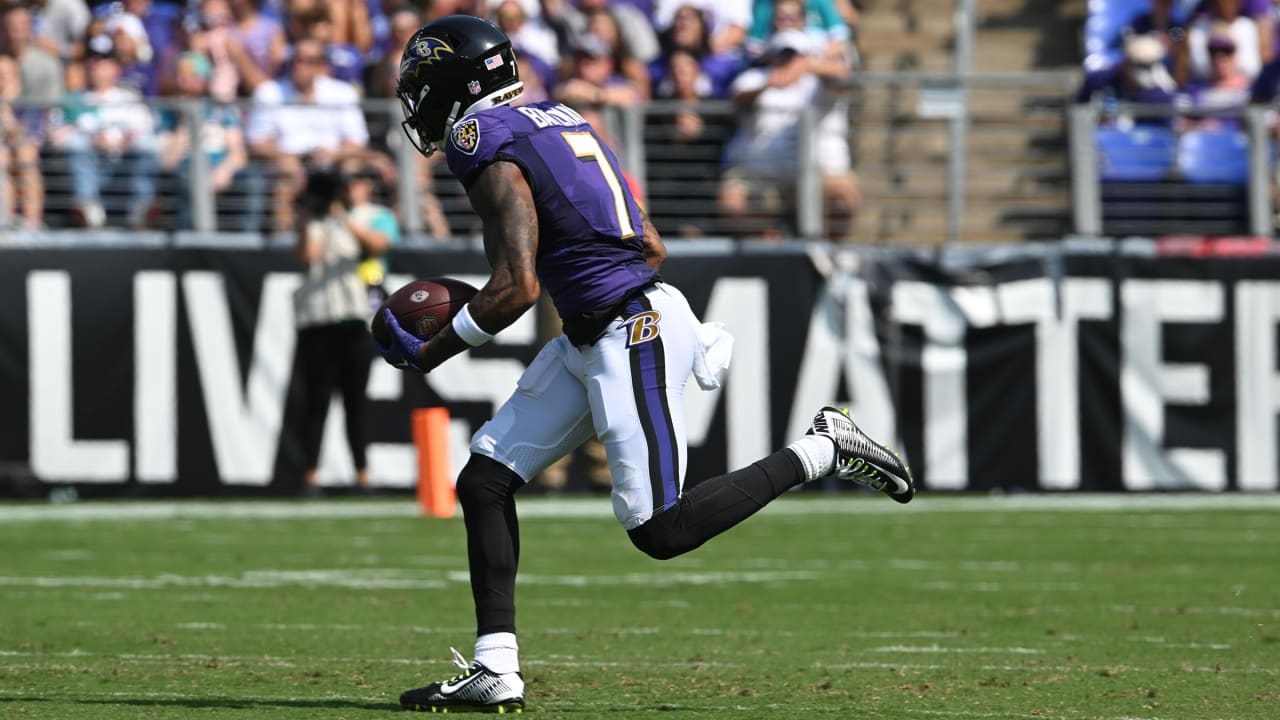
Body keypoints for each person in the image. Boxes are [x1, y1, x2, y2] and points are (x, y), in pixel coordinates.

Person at [378, 14, 915, 713]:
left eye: (423, 83)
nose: (418, 99)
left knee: (661, 529)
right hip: (605, 324)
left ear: (456, 81)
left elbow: (518, 286)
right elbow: (650, 243)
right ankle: (495, 669)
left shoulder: (480, 137)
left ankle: (822, 448)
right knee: (484, 480)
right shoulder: (559, 117)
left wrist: (433, 349)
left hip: (628, 329)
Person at [292, 166, 393, 496]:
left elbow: (377, 245)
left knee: (356, 402)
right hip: (319, 319)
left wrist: (342, 216)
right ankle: (310, 475)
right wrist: (310, 215)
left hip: (355, 317)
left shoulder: (370, 217)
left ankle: (362, 475)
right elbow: (307, 256)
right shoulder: (315, 222)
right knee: (317, 401)